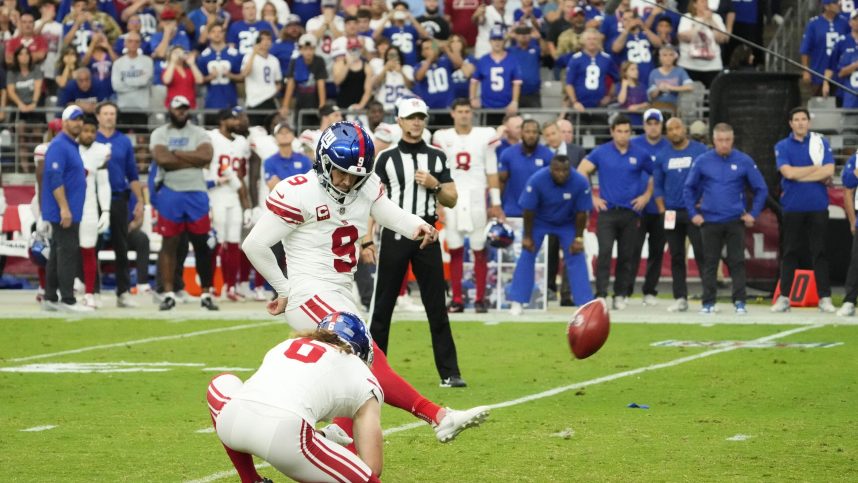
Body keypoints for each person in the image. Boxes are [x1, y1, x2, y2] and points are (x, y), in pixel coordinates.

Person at [242, 119, 488, 448]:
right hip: (310, 293)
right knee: (368, 355)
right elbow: (254, 245)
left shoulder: (366, 186)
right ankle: (439, 416)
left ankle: (337, 432)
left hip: (340, 292)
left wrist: (418, 226)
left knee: (359, 365)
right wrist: (285, 289)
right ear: (322, 161)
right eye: (340, 171)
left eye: (355, 175)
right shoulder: (299, 190)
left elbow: (389, 213)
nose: (346, 181)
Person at [207, 312, 383, 483]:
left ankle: (250, 479)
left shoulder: (288, 344)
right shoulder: (362, 376)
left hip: (233, 421)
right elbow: (372, 467)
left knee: (222, 382)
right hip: (286, 438)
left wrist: (322, 438)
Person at [368, 98, 467, 387]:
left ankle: (450, 372)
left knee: (437, 306)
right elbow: (371, 200)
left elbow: (452, 198)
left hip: (427, 237)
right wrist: (366, 240)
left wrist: (434, 185)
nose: (416, 122)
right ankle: (370, 370)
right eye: (410, 117)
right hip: (395, 236)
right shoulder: (385, 158)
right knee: (383, 307)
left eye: (420, 117)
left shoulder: (437, 156)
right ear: (399, 121)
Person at [683, 122, 768, 314]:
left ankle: (740, 302)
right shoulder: (703, 160)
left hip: (734, 220)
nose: (724, 144)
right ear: (713, 140)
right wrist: (693, 214)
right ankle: (708, 303)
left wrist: (753, 214)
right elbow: (688, 188)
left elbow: (761, 188)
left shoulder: (744, 160)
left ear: (733, 140)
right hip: (709, 220)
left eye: (727, 140)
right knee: (710, 262)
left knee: (737, 261)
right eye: (720, 140)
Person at [432, 98, 502, 313]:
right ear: (452, 113)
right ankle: (457, 299)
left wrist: (496, 202)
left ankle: (480, 298)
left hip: (477, 198)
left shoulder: (484, 135)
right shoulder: (443, 137)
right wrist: (438, 202)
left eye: (467, 111)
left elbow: (491, 170)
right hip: (452, 195)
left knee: (479, 248)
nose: (464, 114)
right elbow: (438, 172)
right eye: (460, 111)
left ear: (472, 113)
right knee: (455, 249)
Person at [150, 95, 218, 311]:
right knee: (169, 244)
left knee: (202, 245)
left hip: (196, 193)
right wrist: (191, 159)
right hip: (170, 192)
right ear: (170, 109)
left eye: (185, 109)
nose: (181, 112)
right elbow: (162, 159)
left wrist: (176, 154)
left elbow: (206, 156)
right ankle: (168, 293)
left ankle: (206, 293)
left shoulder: (199, 132)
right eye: (178, 109)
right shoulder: (160, 133)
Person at [577, 115, 653, 310]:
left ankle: (620, 294)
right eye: (619, 131)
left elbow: (655, 174)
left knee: (627, 255)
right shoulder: (601, 152)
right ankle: (601, 293)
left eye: (627, 131)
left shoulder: (640, 153)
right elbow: (581, 170)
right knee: (604, 253)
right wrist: (591, 197)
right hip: (607, 212)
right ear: (612, 132)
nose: (623, 135)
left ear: (631, 132)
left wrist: (646, 196)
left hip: (630, 212)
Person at [508, 155, 594, 315]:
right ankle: (517, 301)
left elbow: (582, 213)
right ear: (550, 169)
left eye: (565, 171)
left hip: (567, 222)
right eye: (557, 170)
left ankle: (584, 304)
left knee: (577, 254)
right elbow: (528, 210)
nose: (561, 174)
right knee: (527, 253)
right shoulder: (537, 180)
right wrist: (527, 236)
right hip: (539, 221)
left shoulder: (580, 181)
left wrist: (578, 238)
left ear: (570, 170)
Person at [771, 107, 836, 313]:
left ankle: (824, 297)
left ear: (809, 122)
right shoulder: (782, 145)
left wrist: (801, 174)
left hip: (817, 206)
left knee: (820, 252)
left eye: (803, 119)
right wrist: (815, 170)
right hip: (793, 207)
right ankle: (784, 297)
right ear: (790, 123)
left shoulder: (820, 143)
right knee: (790, 251)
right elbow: (787, 173)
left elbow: (829, 170)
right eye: (796, 119)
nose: (800, 123)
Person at [653, 117, 707, 312]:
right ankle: (680, 297)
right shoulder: (662, 155)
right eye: (670, 129)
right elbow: (657, 186)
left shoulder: (700, 151)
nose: (675, 132)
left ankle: (709, 298)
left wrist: (704, 201)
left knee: (702, 253)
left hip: (694, 212)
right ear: (667, 133)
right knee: (676, 255)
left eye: (677, 127)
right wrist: (661, 209)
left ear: (684, 129)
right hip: (671, 213)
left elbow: (708, 177)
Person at [42, 106, 92, 312]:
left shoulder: (71, 145)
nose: (78, 123)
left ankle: (51, 297)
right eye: (74, 120)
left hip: (69, 210)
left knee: (57, 252)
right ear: (64, 123)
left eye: (81, 119)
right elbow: (54, 178)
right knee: (68, 252)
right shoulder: (59, 146)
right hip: (63, 211)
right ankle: (67, 299)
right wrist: (64, 208)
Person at [208, 107, 252, 302]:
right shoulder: (210, 137)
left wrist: (247, 205)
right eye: (233, 119)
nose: (237, 122)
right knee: (217, 243)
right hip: (215, 194)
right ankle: (209, 285)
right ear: (222, 120)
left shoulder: (241, 143)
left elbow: (241, 176)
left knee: (234, 242)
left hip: (233, 194)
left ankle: (230, 286)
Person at [627, 108, 669, 305]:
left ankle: (650, 291)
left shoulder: (669, 146)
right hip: (637, 207)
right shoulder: (633, 144)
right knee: (632, 250)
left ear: (661, 125)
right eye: (649, 123)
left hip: (662, 207)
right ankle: (625, 290)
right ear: (644, 125)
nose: (653, 127)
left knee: (657, 250)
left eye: (656, 123)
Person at [77, 114, 112, 308]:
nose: (89, 134)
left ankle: (89, 292)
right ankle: (62, 289)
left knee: (88, 250)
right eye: (85, 130)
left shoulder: (101, 151)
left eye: (92, 131)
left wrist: (105, 210)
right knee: (65, 250)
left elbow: (103, 183)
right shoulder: (68, 148)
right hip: (68, 205)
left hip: (89, 206)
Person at [498, 119, 555, 218]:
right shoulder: (507, 154)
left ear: (539, 135)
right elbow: (501, 182)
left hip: (539, 215)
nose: (531, 135)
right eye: (527, 132)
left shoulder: (548, 155)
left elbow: (551, 185)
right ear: (521, 134)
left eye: (534, 132)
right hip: (512, 213)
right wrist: (497, 206)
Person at [470, 24, 522, 126]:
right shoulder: (483, 60)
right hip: (487, 106)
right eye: (494, 39)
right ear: (490, 41)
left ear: (504, 41)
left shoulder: (512, 60)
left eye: (500, 39)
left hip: (507, 107)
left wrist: (514, 101)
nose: (497, 42)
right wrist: (472, 98)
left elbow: (517, 83)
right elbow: (474, 81)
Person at [565, 28, 619, 114]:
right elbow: (569, 83)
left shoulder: (606, 58)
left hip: (600, 106)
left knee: (600, 127)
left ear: (599, 41)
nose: (592, 42)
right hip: (580, 106)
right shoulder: (576, 59)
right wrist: (575, 102)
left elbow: (616, 79)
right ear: (583, 41)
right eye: (589, 39)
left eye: (594, 39)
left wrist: (609, 96)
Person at [676, 0, 728, 88]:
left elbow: (722, 39)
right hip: (688, 65)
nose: (706, 4)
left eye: (706, 1)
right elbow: (685, 37)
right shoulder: (687, 17)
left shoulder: (716, 18)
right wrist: (702, 21)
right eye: (702, 1)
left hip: (712, 66)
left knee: (712, 96)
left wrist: (711, 21)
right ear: (695, 4)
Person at [801, 0, 848, 96]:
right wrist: (806, 70)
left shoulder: (844, 23)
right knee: (819, 105)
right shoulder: (814, 24)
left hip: (841, 74)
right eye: (835, 3)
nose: (838, 4)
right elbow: (805, 49)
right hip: (818, 72)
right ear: (826, 6)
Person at [239, 29, 282, 127]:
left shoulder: (274, 60)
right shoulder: (248, 57)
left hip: (270, 99)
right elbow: (244, 73)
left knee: (272, 130)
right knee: (255, 131)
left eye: (269, 39)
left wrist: (273, 91)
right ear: (258, 42)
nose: (266, 42)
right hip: (254, 101)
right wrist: (254, 53)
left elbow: (278, 81)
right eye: (263, 39)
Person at [110, 31, 153, 128]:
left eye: (136, 41)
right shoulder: (118, 63)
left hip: (141, 108)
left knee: (142, 139)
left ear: (140, 44)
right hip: (123, 108)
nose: (133, 44)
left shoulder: (147, 61)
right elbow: (116, 86)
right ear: (125, 43)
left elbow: (144, 81)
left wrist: (125, 82)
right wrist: (138, 85)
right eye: (130, 41)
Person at [838, 151, 858, 316]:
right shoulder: (856, 158)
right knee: (856, 260)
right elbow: (848, 184)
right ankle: (850, 300)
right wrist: (853, 221)